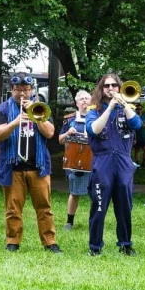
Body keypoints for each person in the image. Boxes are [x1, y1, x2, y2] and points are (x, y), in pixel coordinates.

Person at [0, 72, 61, 253]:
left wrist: (36, 115)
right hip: (13, 167)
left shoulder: (41, 108)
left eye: (25, 90)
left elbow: (50, 133)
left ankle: (50, 242)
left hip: (38, 167)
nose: (22, 94)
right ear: (12, 90)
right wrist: (14, 122)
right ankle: (13, 242)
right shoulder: (3, 109)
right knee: (13, 209)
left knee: (44, 207)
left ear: (32, 90)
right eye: (17, 90)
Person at [85, 73, 142, 256]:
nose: (111, 89)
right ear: (101, 89)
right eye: (107, 86)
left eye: (114, 85)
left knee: (125, 206)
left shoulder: (127, 108)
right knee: (99, 206)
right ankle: (95, 246)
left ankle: (125, 244)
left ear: (120, 88)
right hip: (103, 162)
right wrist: (109, 108)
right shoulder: (93, 110)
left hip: (124, 162)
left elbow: (137, 124)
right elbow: (93, 130)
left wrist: (123, 104)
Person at [57, 90, 92, 230]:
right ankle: (69, 221)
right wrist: (67, 133)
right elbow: (60, 140)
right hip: (74, 162)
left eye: (87, 98)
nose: (84, 101)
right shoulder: (70, 119)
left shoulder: (97, 118)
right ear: (76, 103)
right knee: (75, 192)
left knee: (94, 193)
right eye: (81, 99)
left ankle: (94, 220)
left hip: (93, 161)